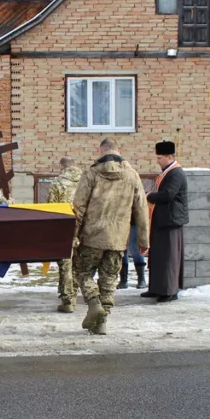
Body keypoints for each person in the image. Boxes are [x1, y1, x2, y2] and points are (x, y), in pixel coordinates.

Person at [71, 138, 149, 334]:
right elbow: (141, 209)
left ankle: (94, 303)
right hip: (118, 238)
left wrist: (73, 235)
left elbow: (78, 207)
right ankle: (102, 322)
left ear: (100, 150)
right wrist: (143, 240)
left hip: (91, 236)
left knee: (82, 272)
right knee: (109, 280)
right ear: (119, 150)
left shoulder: (91, 174)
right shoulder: (132, 176)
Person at [141, 141, 188, 303]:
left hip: (170, 221)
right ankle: (156, 288)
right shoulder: (167, 172)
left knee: (168, 258)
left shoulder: (176, 173)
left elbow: (168, 195)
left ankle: (169, 291)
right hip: (162, 220)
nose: (157, 160)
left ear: (170, 157)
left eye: (160, 158)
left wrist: (149, 196)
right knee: (158, 257)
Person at [46, 156, 82, 312]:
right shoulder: (87, 181)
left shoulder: (58, 183)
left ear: (62, 167)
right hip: (85, 226)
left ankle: (68, 299)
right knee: (81, 263)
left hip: (65, 226)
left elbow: (51, 208)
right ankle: (83, 295)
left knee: (66, 263)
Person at [118, 221, 148, 290]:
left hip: (134, 220)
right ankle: (123, 279)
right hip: (120, 220)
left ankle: (141, 278)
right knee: (121, 248)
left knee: (135, 248)